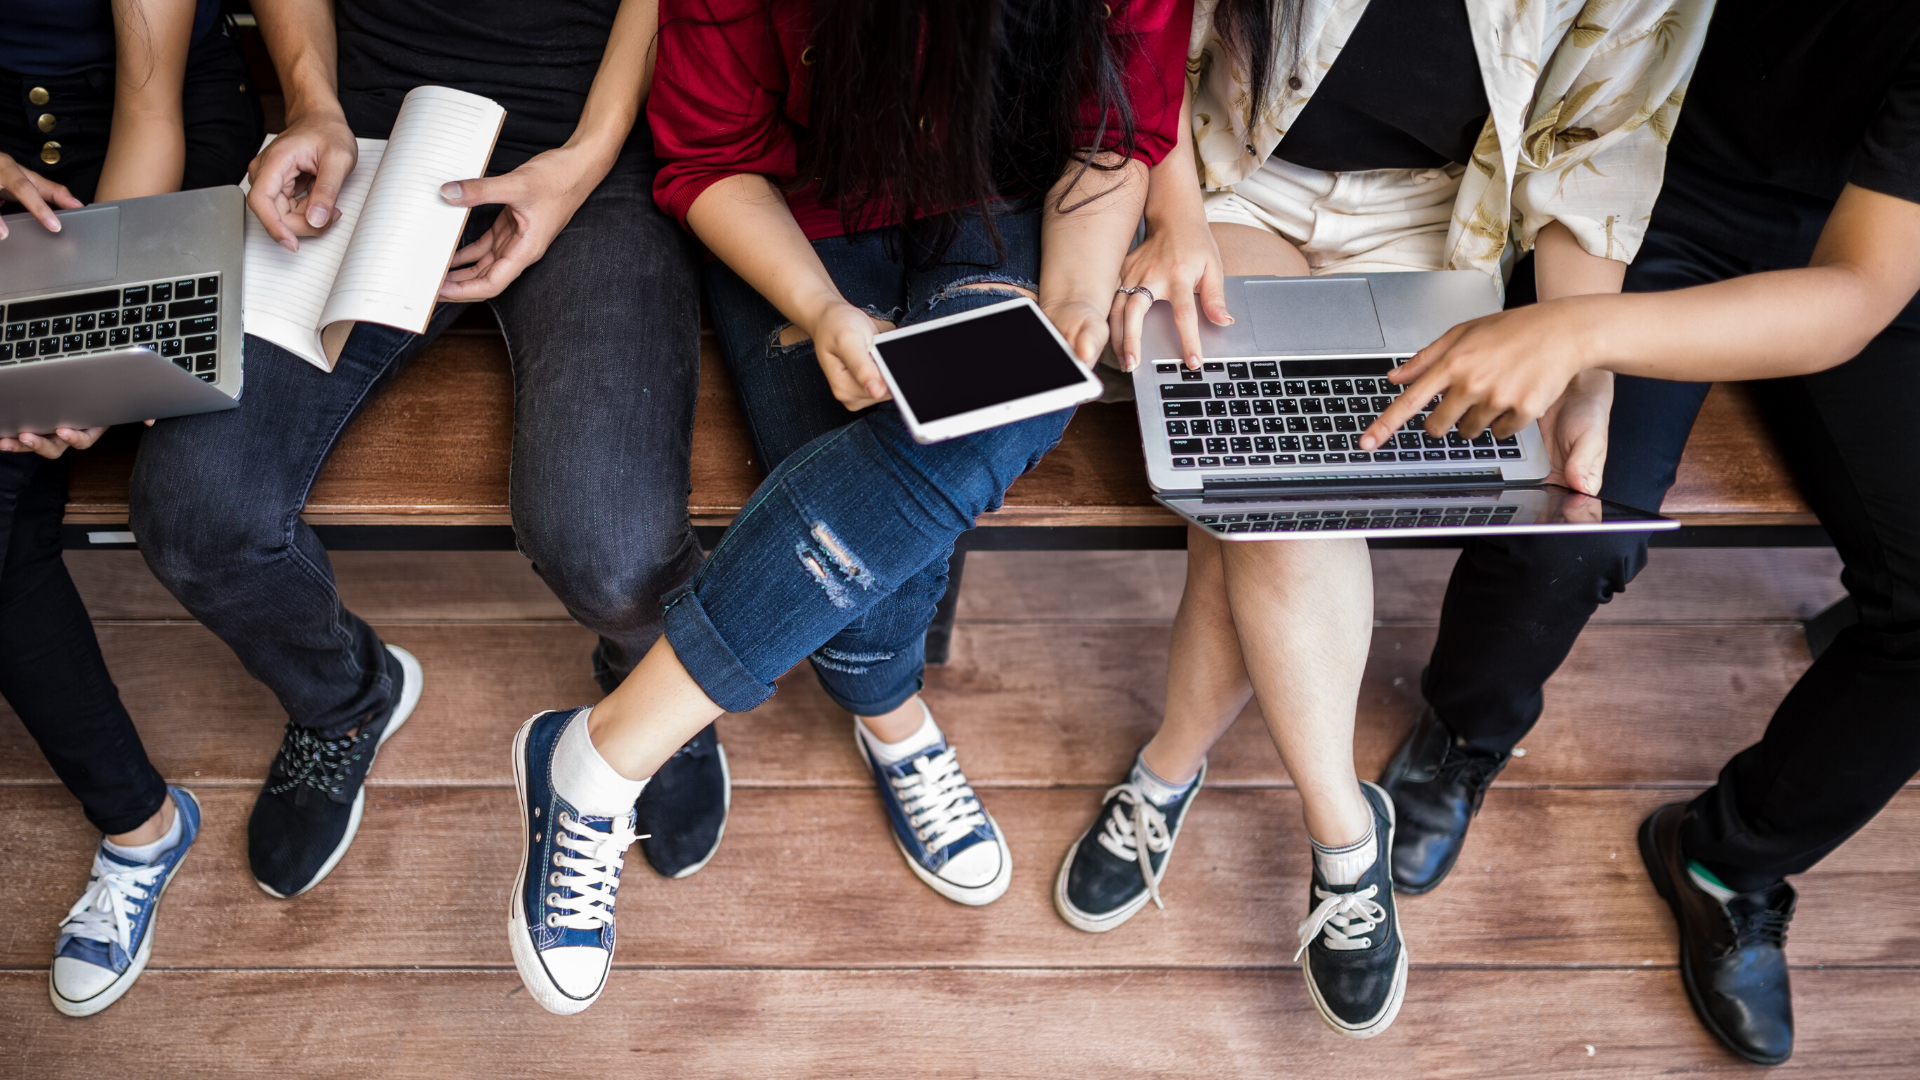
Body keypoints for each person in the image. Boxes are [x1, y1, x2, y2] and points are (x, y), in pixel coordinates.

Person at [501, 0, 1192, 1015]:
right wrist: (822, 307)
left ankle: (602, 759)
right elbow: (708, 156)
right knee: (850, 505)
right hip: (796, 213)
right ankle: (893, 718)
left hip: (1004, 200)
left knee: (988, 417)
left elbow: (1112, 128)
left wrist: (1079, 297)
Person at [1051, 0, 1710, 1040]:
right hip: (1228, 180)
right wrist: (1172, 213)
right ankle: (1346, 835)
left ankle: (1169, 766)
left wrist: (1582, 358)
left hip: (1440, 222)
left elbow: (1598, 139)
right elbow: (1142, 39)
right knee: (1267, 483)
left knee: (1260, 499)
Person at [1363, 1, 1920, 1064]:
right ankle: (1465, 735)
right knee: (1575, 513)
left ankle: (1729, 860)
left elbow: (1852, 296)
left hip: (1865, 243)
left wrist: (1580, 334)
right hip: (1638, 170)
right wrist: (1582, 330)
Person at [123, 0, 731, 901]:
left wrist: (585, 158)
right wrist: (312, 103)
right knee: (194, 514)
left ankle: (654, 694)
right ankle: (344, 700)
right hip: (377, 132)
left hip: (591, 148)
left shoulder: (592, 152)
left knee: (612, 549)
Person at [0, 0, 261, 1015]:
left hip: (155, 140)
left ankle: (140, 826)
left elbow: (153, 106)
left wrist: (76, 348)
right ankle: (143, 827)